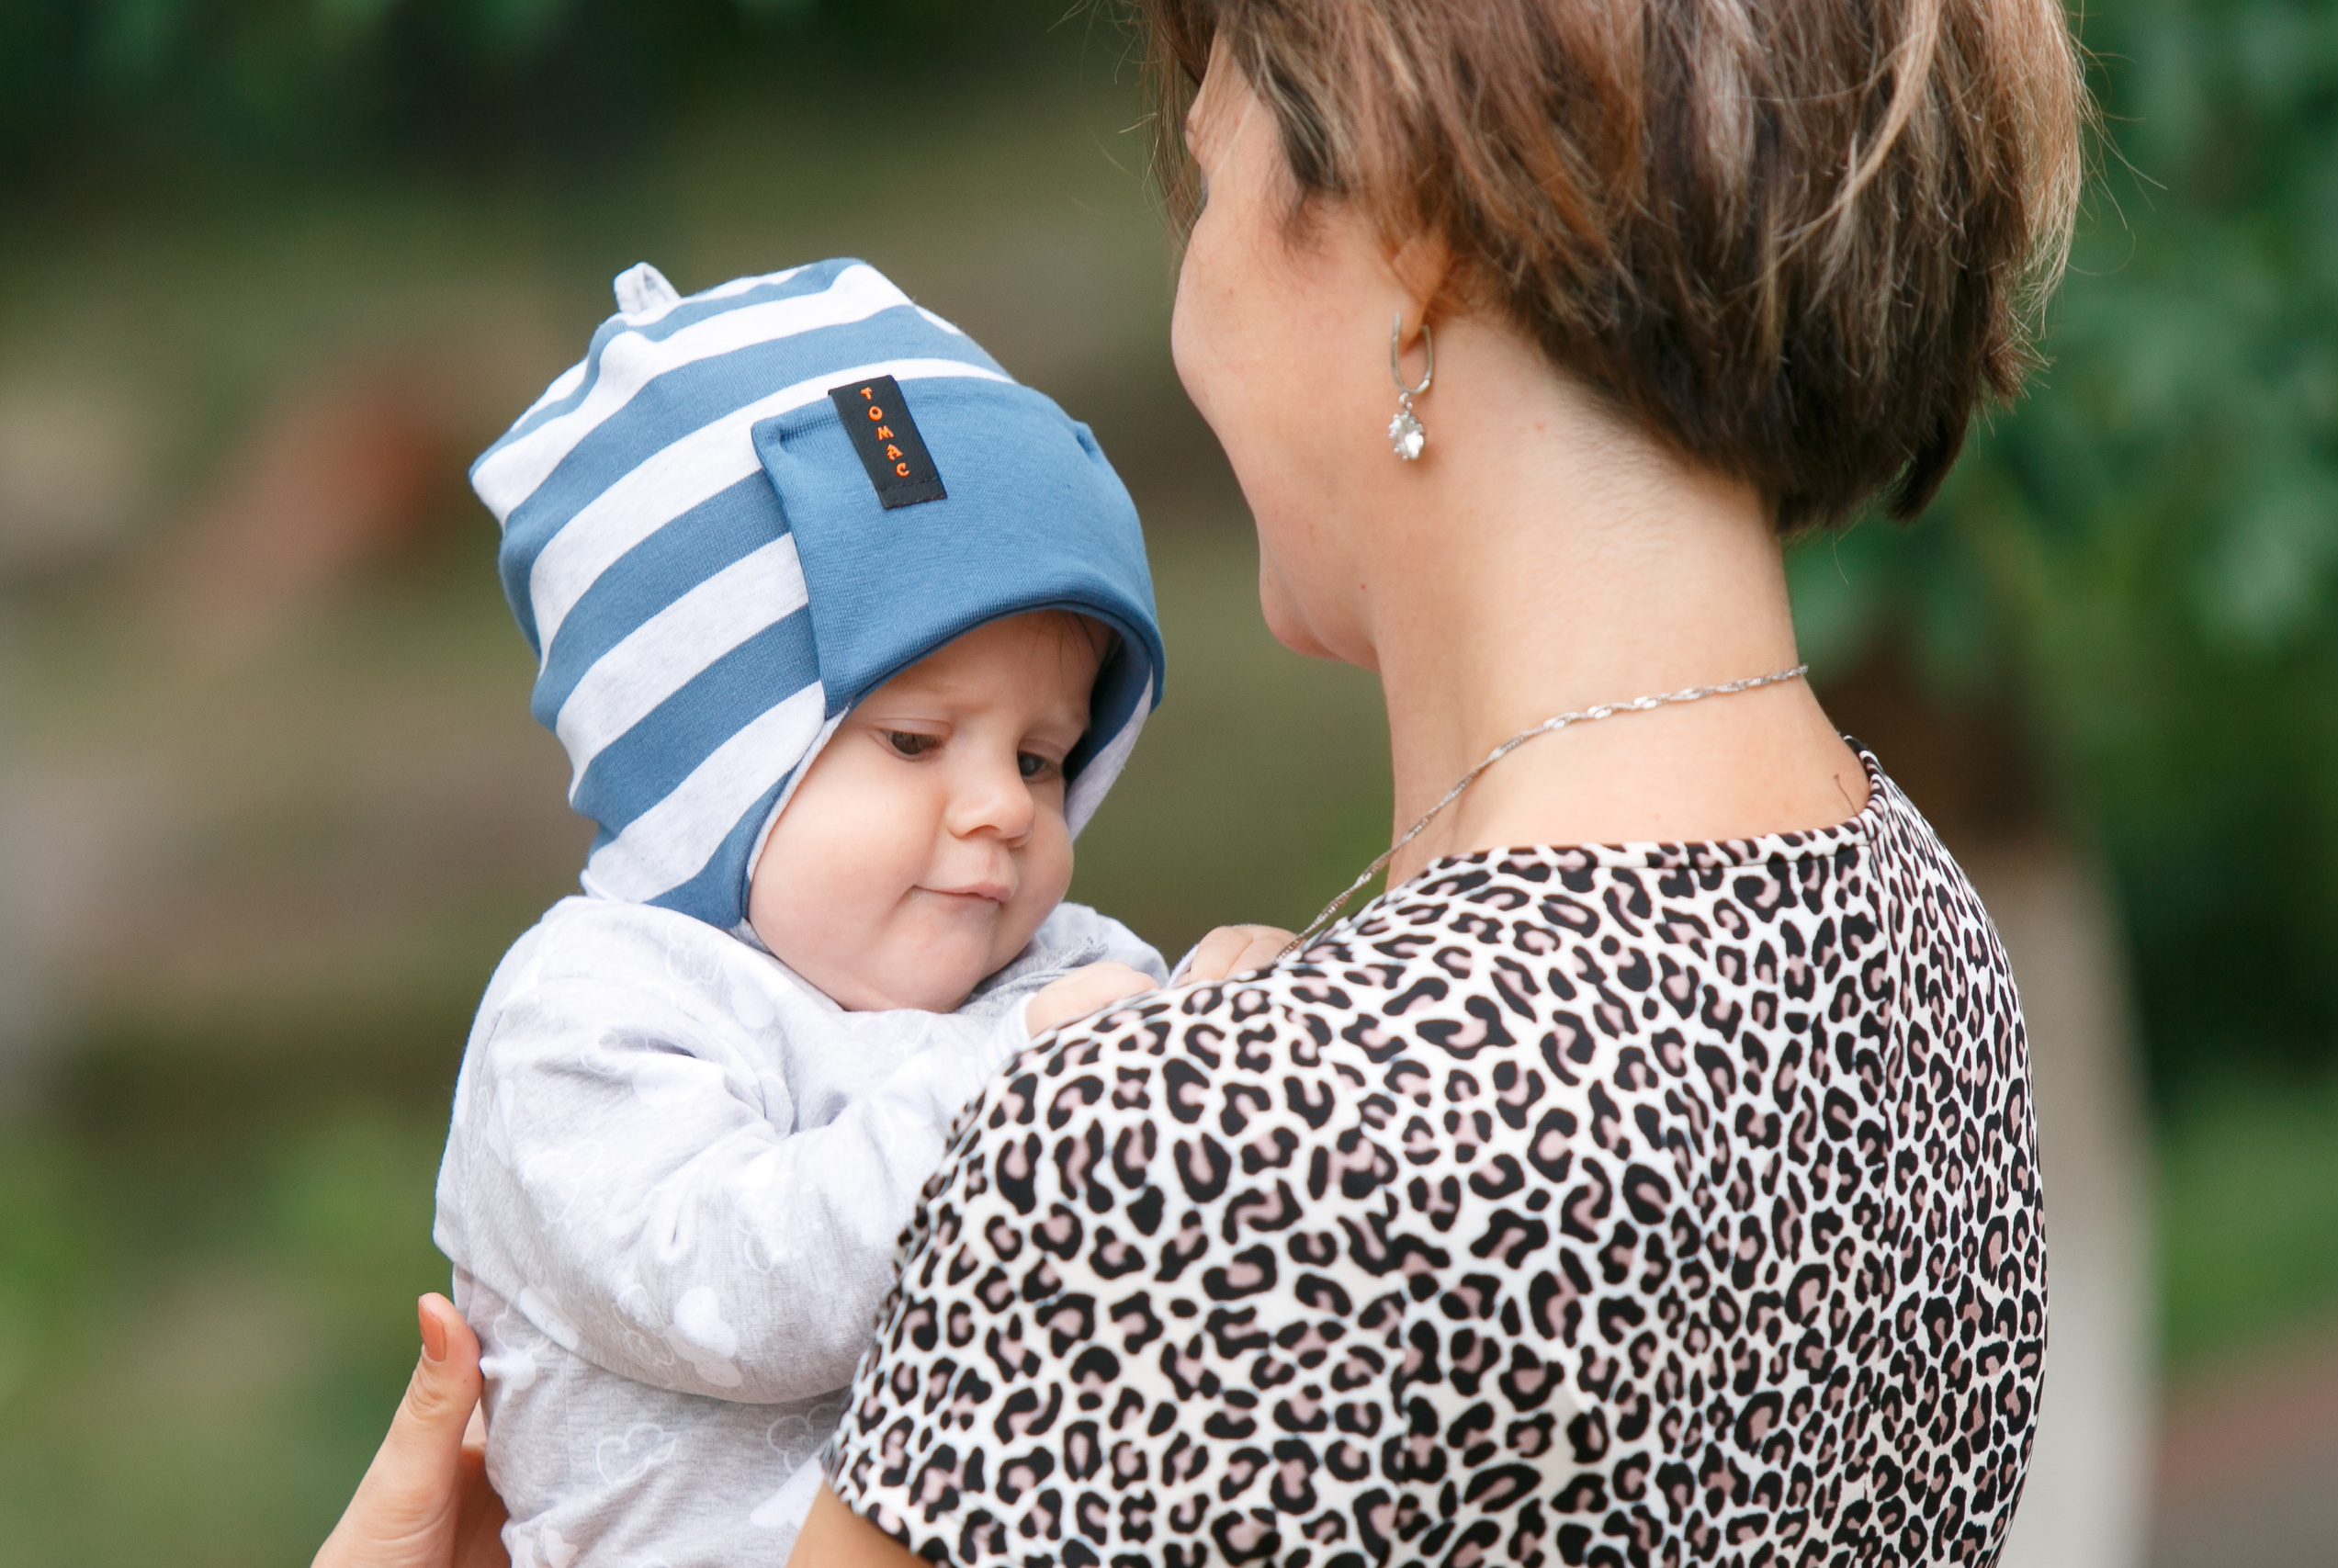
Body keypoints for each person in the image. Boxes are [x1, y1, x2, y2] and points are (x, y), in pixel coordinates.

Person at [323, 0, 2086, 1561]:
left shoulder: (1171, 1157)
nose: (1187, 297)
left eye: (1208, 170)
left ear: (1414, 240)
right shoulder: (1923, 946)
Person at [430, 258, 1271, 1568]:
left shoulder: (1057, 970)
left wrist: (1260, 1035)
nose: (1001, 807)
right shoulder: (586, 1015)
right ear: (707, 772)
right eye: (919, 738)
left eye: (1043, 758)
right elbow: (738, 1295)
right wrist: (1032, 1080)